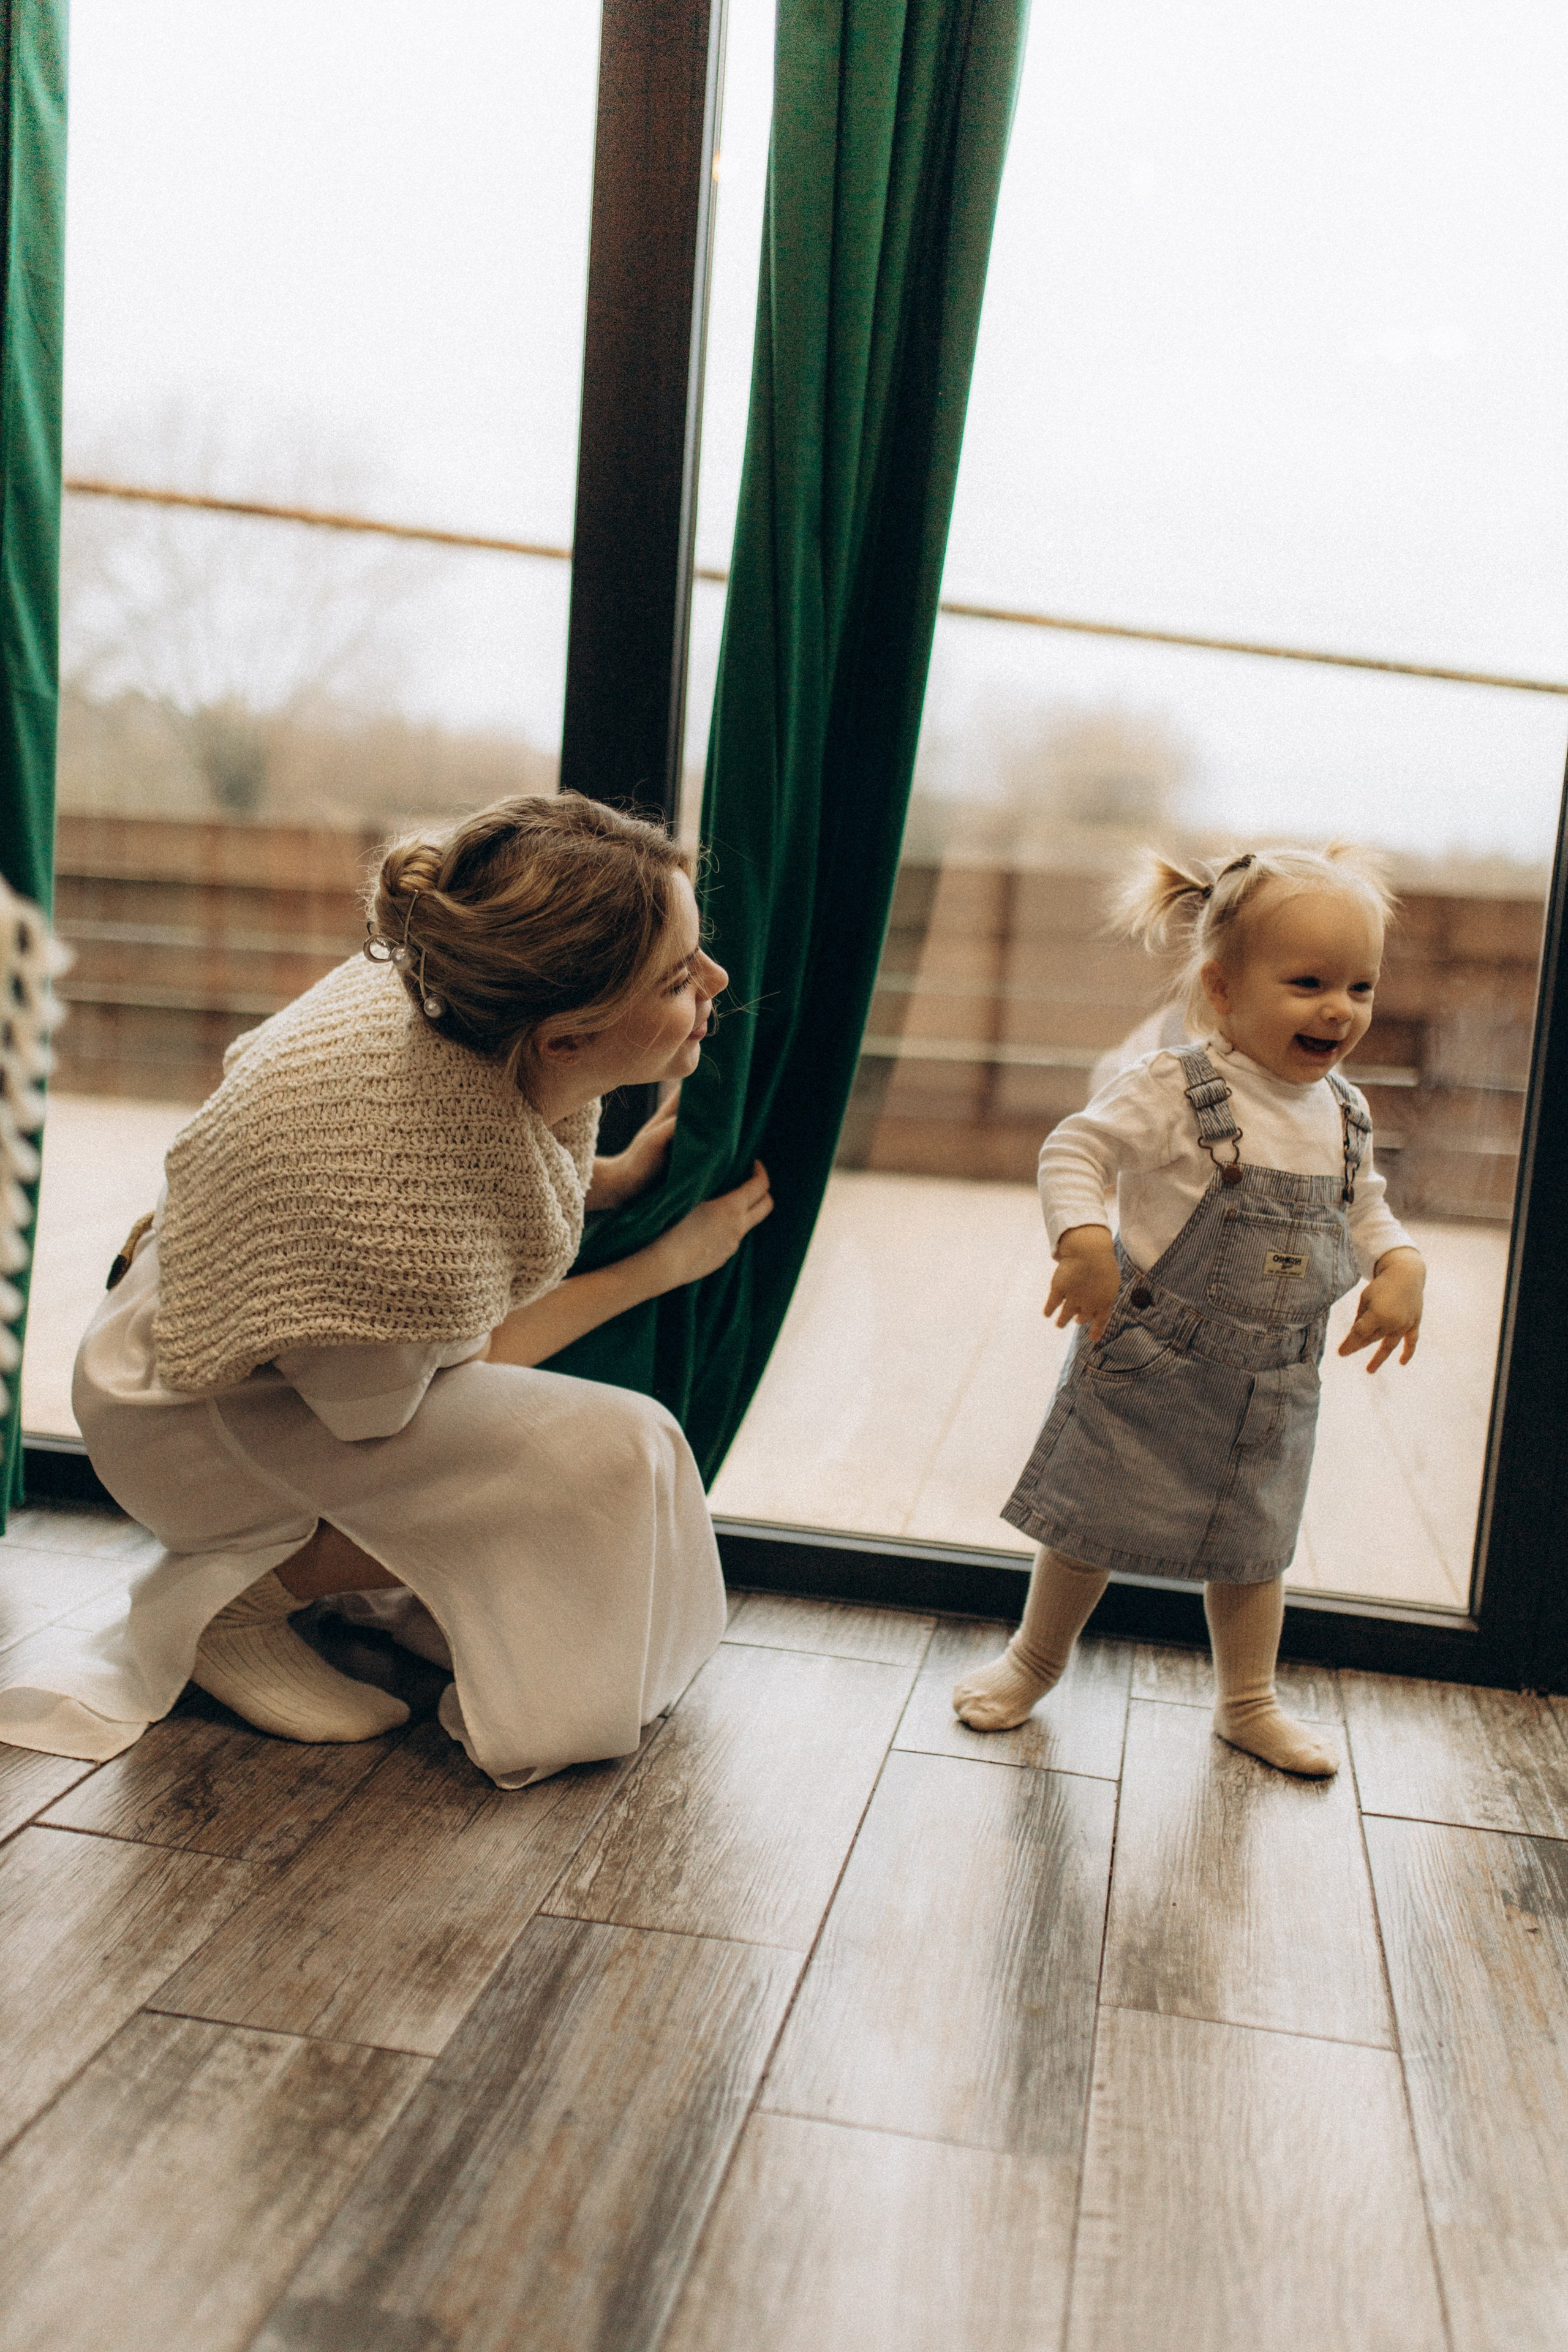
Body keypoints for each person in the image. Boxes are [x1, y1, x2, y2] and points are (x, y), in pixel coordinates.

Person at [0, 793, 773, 1787]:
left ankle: (372, 1586)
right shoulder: (393, 1212)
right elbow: (426, 1384)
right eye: (678, 977)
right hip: (190, 1418)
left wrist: (613, 1176)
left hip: (225, 1333)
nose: (716, 980)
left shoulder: (442, 982)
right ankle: (232, 1607)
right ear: (565, 1038)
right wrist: (661, 1268)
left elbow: (499, 1152)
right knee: (609, 1457)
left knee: (609, 1451)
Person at [953, 844, 1425, 1777]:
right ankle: (1034, 1661)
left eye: (1361, 986)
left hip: (1275, 1377)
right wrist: (1083, 1240)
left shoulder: (1344, 1110)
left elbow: (1361, 1202)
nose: (1341, 1009)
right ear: (1220, 988)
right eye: (1308, 983)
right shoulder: (1178, 1087)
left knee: (1255, 1552)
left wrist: (1399, 1260)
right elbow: (1074, 1150)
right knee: (1086, 1529)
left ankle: (1248, 1704)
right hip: (1151, 1357)